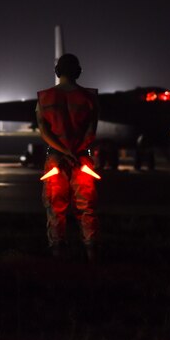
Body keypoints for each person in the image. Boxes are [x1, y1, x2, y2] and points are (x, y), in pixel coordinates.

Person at [36, 53, 100, 262]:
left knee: (55, 209)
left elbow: (44, 132)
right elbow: (91, 132)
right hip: (82, 160)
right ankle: (92, 255)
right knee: (87, 209)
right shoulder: (90, 98)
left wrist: (64, 152)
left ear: (57, 72)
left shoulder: (44, 98)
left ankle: (57, 256)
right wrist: (75, 152)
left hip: (55, 160)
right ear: (78, 72)